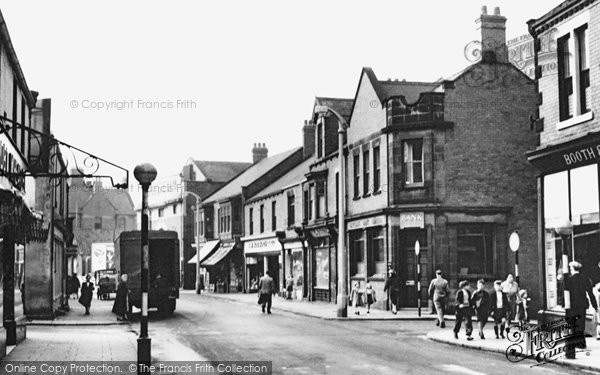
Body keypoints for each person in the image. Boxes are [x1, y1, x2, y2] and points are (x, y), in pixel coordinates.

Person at [564, 261, 599, 359]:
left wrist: (564, 304)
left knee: (573, 323)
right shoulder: (584, 278)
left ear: (572, 269)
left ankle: (575, 342)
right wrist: (595, 305)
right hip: (582, 304)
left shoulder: (569, 280)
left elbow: (565, 294)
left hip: (571, 305)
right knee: (581, 322)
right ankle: (581, 343)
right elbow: (590, 293)